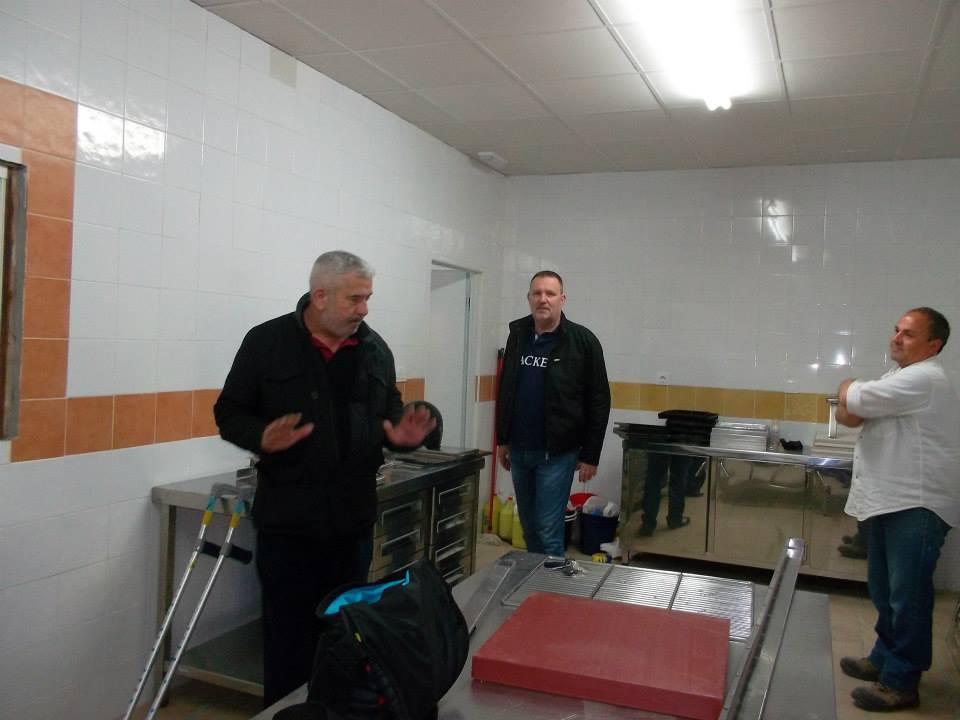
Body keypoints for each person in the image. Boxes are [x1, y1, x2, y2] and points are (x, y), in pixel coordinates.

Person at [214, 251, 435, 707]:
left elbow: (389, 414)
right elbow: (229, 413)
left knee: (344, 638)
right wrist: (261, 437)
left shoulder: (375, 350)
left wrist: (401, 437)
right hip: (288, 525)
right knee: (288, 642)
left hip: (351, 525)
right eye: (355, 299)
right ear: (320, 296)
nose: (364, 309)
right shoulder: (267, 342)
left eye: (367, 298)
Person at [835, 307, 960, 712]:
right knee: (886, 591)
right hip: (889, 501)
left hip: (915, 505)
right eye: (896, 330)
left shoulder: (925, 378)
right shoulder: (898, 378)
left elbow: (852, 399)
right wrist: (851, 397)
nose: (896, 338)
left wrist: (848, 385)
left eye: (908, 334)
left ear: (933, 345)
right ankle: (883, 658)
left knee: (908, 597)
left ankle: (902, 682)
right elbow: (849, 416)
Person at [496, 270, 611, 556]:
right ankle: (537, 580)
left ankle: (550, 583)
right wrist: (503, 439)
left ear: (562, 299)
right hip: (520, 450)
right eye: (537, 293)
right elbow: (507, 388)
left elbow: (599, 400)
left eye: (550, 293)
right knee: (529, 528)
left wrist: (590, 455)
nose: (543, 299)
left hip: (557, 454)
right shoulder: (518, 335)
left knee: (548, 531)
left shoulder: (582, 341)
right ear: (529, 298)